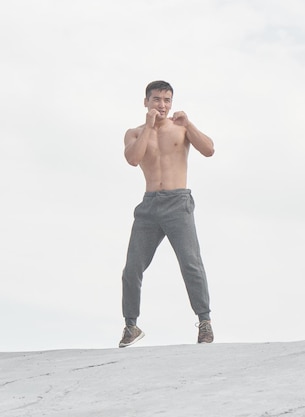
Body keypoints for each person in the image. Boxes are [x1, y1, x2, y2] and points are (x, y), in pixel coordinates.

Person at [118, 80, 215, 348]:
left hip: (178, 202)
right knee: (132, 269)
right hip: (149, 206)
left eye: (167, 100)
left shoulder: (181, 129)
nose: (162, 105)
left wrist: (190, 124)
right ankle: (130, 326)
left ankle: (204, 322)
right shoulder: (135, 133)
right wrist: (149, 126)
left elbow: (209, 150)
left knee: (190, 263)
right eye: (157, 99)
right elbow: (132, 159)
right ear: (146, 102)